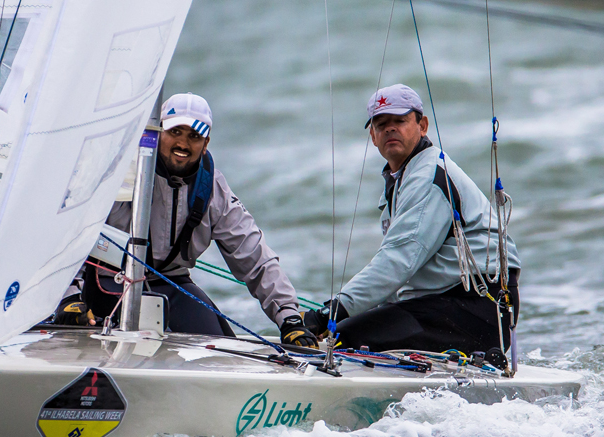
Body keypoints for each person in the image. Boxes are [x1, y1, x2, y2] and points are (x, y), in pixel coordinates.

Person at [56, 93, 318, 348]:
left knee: (224, 350)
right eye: (175, 132)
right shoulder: (119, 171)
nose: (183, 143)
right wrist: (67, 296)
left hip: (169, 284)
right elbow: (69, 233)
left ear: (206, 143)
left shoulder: (212, 188)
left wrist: (290, 319)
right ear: (158, 132)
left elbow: (254, 255)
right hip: (104, 285)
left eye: (194, 136)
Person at [305, 84, 520, 354]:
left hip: (477, 306)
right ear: (372, 135)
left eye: (400, 120)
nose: (390, 129)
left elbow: (398, 262)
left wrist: (329, 313)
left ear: (423, 126)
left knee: (346, 337)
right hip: (441, 304)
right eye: (381, 123)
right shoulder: (402, 179)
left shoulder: (428, 176)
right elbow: (400, 275)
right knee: (348, 331)